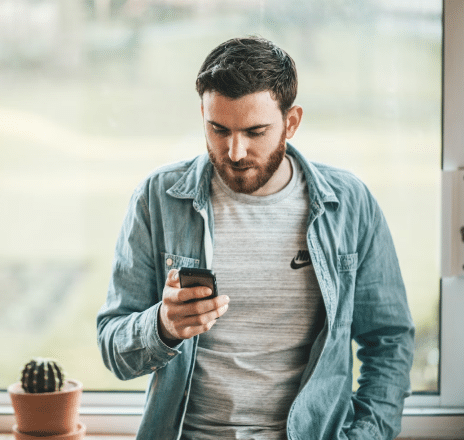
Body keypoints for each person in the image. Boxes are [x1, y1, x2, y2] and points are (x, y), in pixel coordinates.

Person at [97, 36, 414, 440]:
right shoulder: (157, 199)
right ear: (202, 115)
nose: (234, 151)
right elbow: (113, 348)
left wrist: (366, 435)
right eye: (218, 129)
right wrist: (163, 325)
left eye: (255, 131)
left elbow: (389, 341)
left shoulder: (350, 205)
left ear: (292, 122)